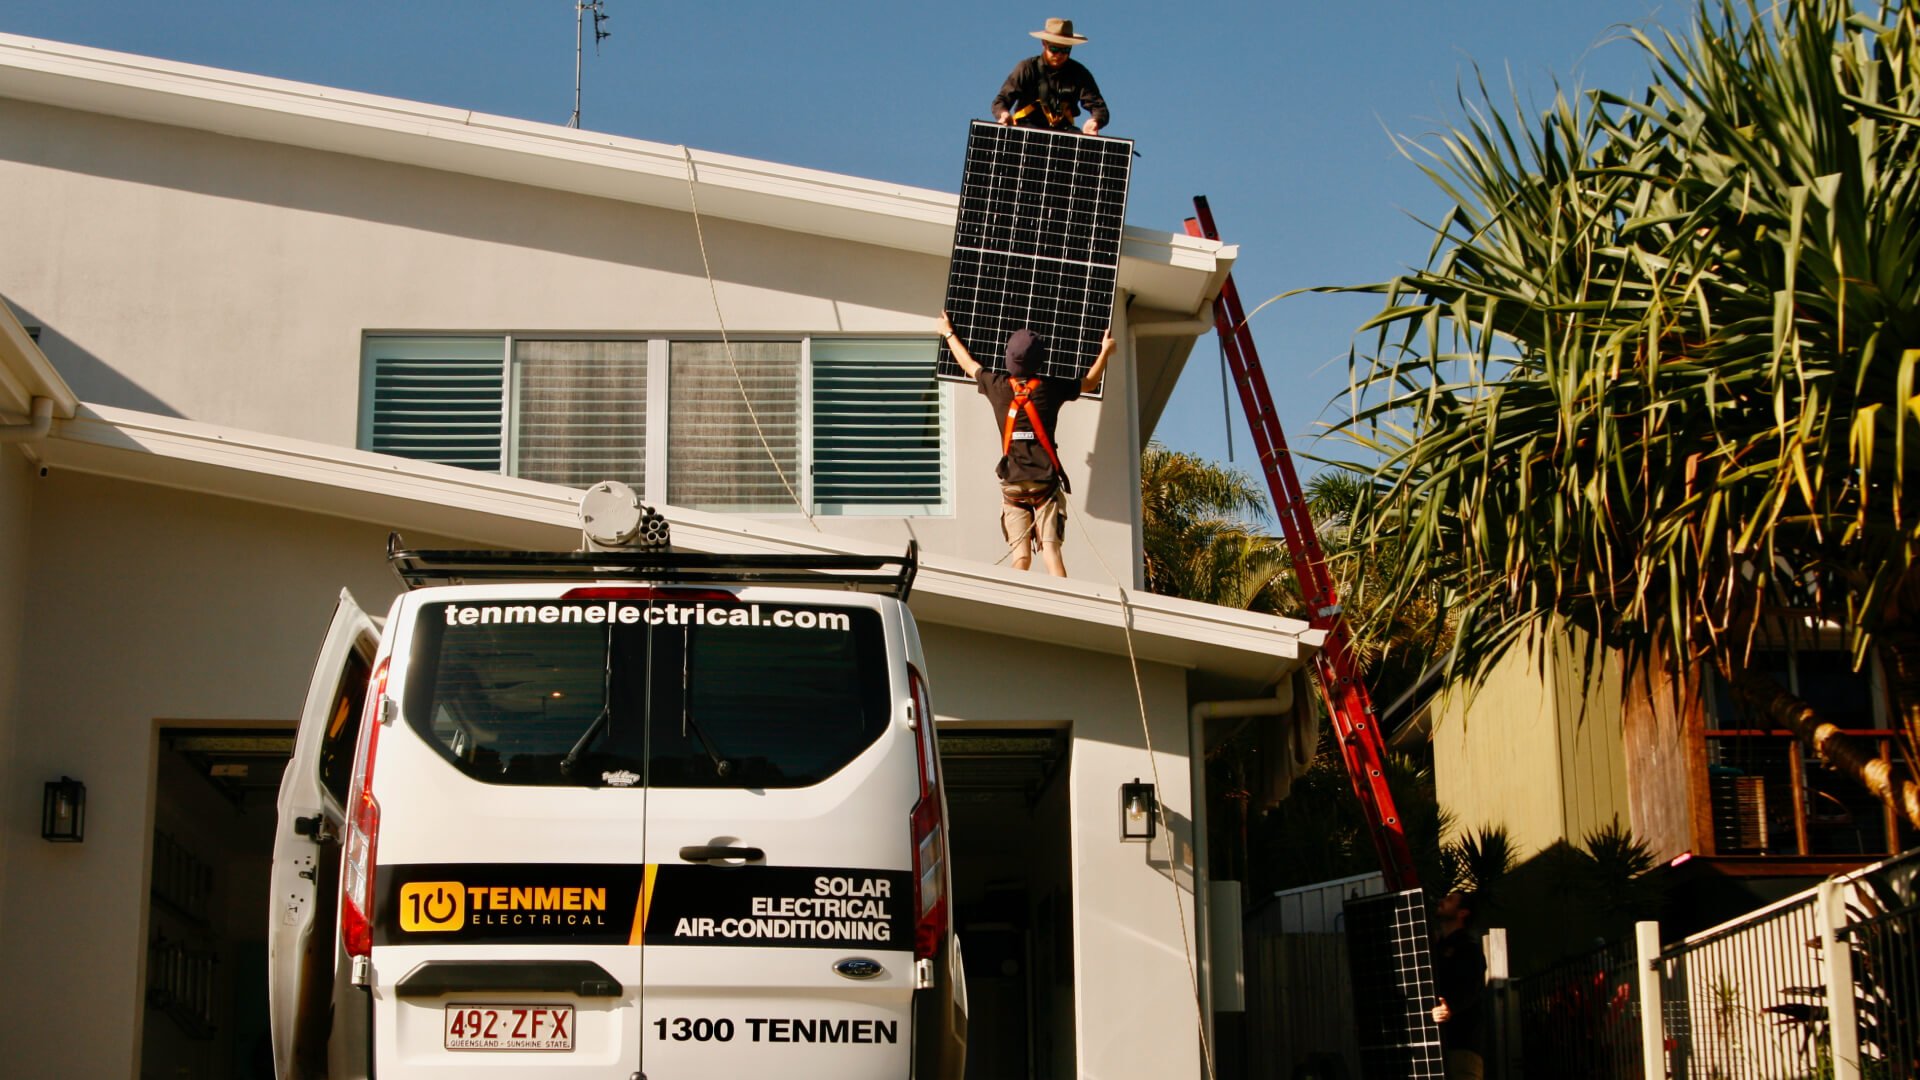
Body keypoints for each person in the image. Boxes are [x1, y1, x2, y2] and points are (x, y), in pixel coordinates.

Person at [936, 314, 1114, 577]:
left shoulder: (996, 386)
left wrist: (948, 333)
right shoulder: (1050, 389)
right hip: (1045, 485)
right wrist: (1105, 352)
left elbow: (968, 364)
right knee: (1052, 554)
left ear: (1008, 358)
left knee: (1021, 558)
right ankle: (1061, 608)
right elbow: (1089, 383)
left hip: (1013, 487)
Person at [991, 18, 1109, 135]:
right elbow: (1001, 101)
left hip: (1063, 133)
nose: (1059, 55)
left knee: (1082, 144)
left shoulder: (1079, 73)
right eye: (1054, 49)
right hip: (1027, 128)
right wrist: (1004, 114)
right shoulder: (1027, 68)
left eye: (1065, 50)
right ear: (1044, 43)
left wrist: (1095, 121)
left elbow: (1099, 108)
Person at [1431, 890, 1488, 1080]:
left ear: (1462, 912)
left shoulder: (1468, 949)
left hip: (1462, 1045)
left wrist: (1451, 1008)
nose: (1441, 901)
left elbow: (1472, 989)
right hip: (1434, 1044)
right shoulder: (1435, 949)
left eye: (1449, 900)